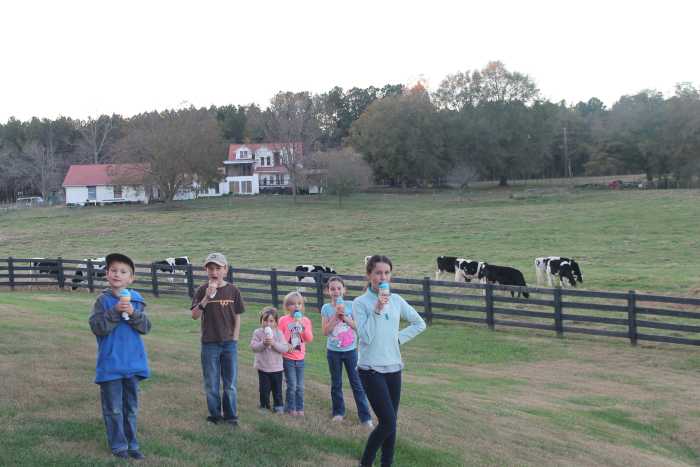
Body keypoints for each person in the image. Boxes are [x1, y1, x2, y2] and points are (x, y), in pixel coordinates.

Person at [354, 255, 426, 467]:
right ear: (369, 275)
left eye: (386, 273)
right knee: (387, 422)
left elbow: (419, 323)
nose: (382, 277)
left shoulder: (397, 300)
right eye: (378, 273)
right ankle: (365, 463)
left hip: (394, 368)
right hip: (370, 370)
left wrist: (397, 339)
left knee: (391, 423)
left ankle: (387, 463)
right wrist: (377, 308)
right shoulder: (360, 303)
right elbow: (366, 337)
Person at [88, 253, 151, 460]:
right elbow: (98, 328)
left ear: (130, 278)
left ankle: (133, 445)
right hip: (111, 365)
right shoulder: (102, 301)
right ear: (107, 274)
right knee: (114, 409)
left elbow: (145, 328)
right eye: (113, 270)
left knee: (130, 408)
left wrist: (133, 312)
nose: (117, 274)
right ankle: (118, 446)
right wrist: (115, 311)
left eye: (123, 271)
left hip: (133, 364)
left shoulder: (137, 300)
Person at [190, 252, 245, 426]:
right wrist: (207, 297)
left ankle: (231, 416)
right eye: (210, 268)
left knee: (230, 383)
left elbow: (237, 315)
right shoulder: (201, 290)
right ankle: (215, 415)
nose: (214, 272)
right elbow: (194, 315)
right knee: (211, 382)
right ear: (206, 270)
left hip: (229, 344)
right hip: (209, 344)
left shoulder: (233, 290)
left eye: (218, 268)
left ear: (225, 270)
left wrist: (235, 337)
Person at [320, 276, 373, 426]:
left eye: (338, 288)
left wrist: (345, 318)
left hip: (351, 352)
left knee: (357, 383)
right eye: (332, 289)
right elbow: (325, 331)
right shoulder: (326, 308)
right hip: (333, 352)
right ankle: (338, 412)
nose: (336, 291)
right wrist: (336, 317)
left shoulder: (352, 305)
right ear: (327, 291)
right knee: (336, 383)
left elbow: (358, 327)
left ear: (344, 290)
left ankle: (365, 417)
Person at [278, 291, 313, 416]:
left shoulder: (306, 321)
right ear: (287, 307)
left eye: (299, 304)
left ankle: (300, 408)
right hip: (288, 358)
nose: (296, 306)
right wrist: (285, 345)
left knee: (300, 386)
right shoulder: (283, 320)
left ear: (302, 306)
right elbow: (279, 336)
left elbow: (309, 339)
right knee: (291, 385)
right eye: (293, 304)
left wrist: (302, 327)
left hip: (300, 358)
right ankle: (290, 408)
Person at [250, 306, 289, 413]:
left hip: (277, 368)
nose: (268, 323)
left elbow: (285, 348)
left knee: (277, 389)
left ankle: (279, 406)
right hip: (263, 368)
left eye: (271, 321)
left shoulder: (279, 334)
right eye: (265, 320)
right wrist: (263, 343)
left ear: (276, 322)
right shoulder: (258, 332)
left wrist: (274, 344)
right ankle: (264, 406)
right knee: (264, 389)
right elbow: (253, 347)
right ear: (261, 321)